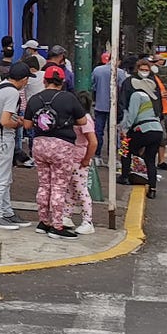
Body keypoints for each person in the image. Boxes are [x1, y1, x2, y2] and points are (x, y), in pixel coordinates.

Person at [24, 65, 89, 236]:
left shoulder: (35, 99)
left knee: (44, 185)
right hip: (62, 147)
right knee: (59, 186)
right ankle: (57, 226)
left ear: (44, 81)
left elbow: (27, 124)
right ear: (62, 82)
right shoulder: (69, 98)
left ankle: (43, 222)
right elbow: (82, 121)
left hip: (39, 145)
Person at [0, 61, 31, 229]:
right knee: (1, 178)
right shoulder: (12, 93)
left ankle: (6, 211)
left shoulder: (1, 86)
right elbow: (5, 121)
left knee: (5, 177)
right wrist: (18, 124)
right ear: (24, 79)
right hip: (3, 138)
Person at [122, 64, 165, 198]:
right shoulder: (154, 98)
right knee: (150, 160)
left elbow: (132, 115)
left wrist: (125, 129)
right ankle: (152, 189)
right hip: (157, 130)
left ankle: (125, 176)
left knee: (126, 149)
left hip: (143, 128)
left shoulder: (137, 95)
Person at [65, 89, 99, 235]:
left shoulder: (85, 120)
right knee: (70, 189)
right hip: (73, 157)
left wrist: (86, 159)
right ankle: (66, 216)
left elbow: (93, 142)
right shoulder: (78, 118)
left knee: (81, 190)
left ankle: (87, 221)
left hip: (79, 159)